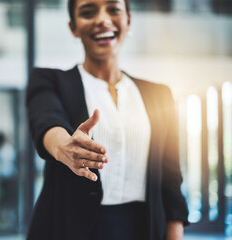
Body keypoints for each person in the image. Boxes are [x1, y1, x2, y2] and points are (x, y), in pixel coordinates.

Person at [25, 0, 189, 239]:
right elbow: (46, 120)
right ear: (73, 27)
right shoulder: (49, 81)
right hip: (71, 229)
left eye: (113, 9)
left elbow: (171, 182)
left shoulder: (159, 95)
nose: (102, 19)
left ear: (128, 20)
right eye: (88, 12)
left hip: (143, 229)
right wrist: (65, 148)